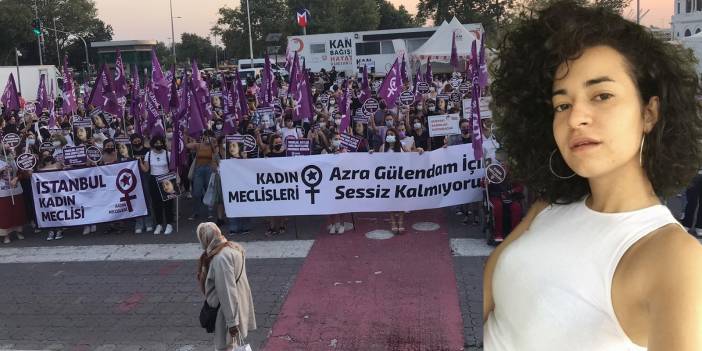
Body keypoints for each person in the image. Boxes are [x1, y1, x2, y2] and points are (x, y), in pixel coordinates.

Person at [484, 2, 702, 350]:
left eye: (601, 95)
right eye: (562, 104)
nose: (576, 118)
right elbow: (491, 297)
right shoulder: (549, 207)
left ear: (649, 112)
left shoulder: (675, 257)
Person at [196, 222, 256, 351]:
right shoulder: (233, 248)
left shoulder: (219, 259)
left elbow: (227, 291)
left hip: (225, 311)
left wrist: (232, 322)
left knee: (226, 346)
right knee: (232, 345)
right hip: (237, 304)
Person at [140, 135, 174, 235]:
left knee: (168, 203)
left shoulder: (168, 154)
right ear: (152, 144)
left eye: (160, 143)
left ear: (163, 143)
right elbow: (146, 169)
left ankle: (169, 224)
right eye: (156, 143)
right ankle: (159, 224)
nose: (158, 145)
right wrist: (139, 162)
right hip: (153, 179)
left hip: (166, 179)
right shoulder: (148, 154)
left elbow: (172, 167)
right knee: (156, 203)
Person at [187, 131, 218, 221]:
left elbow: (216, 155)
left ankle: (210, 212)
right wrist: (187, 135)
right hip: (199, 170)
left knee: (209, 191)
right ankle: (195, 212)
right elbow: (187, 145)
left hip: (209, 170)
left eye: (209, 136)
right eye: (206, 136)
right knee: (196, 193)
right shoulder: (198, 145)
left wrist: (214, 143)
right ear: (203, 137)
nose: (207, 138)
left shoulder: (213, 146)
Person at [0, 152, 26, 244]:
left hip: (16, 190)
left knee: (17, 212)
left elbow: (22, 172)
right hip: (2, 192)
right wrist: (2, 170)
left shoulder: (14, 159)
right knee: (4, 214)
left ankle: (18, 231)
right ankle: (6, 235)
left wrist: (17, 178)